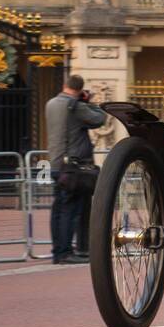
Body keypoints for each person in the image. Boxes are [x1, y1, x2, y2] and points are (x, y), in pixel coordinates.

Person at [46, 74, 106, 265]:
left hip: (55, 163)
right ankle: (65, 252)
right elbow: (99, 119)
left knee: (57, 210)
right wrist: (90, 102)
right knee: (70, 211)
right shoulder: (76, 107)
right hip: (72, 167)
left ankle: (57, 250)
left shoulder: (51, 103)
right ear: (80, 90)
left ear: (65, 85)